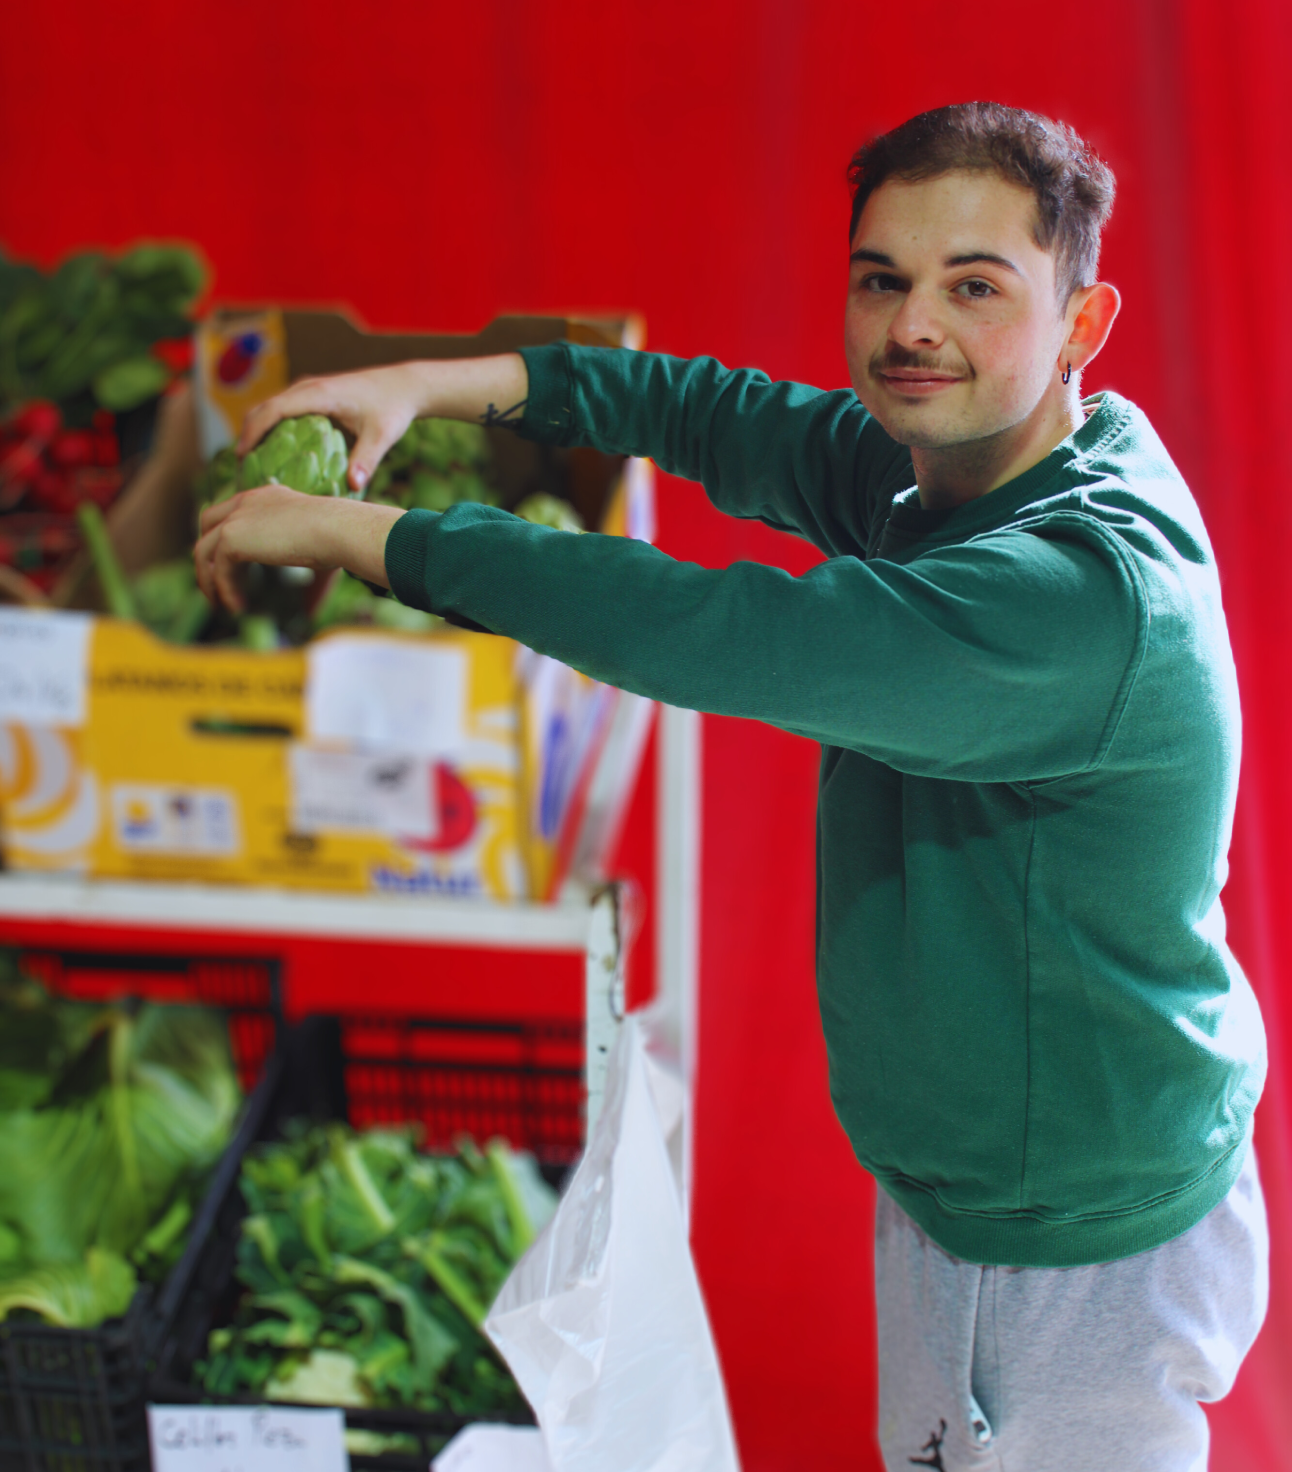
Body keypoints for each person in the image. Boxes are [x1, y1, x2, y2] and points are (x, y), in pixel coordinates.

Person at [195, 103, 1268, 1471]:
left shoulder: (1076, 595)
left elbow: (718, 632)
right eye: (882, 278)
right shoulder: (956, 465)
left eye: (975, 286)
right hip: (978, 1180)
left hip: (1076, 1226)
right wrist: (432, 384)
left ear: (1082, 321)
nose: (912, 327)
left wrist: (368, 535)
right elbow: (716, 413)